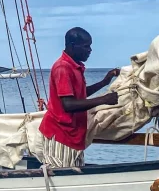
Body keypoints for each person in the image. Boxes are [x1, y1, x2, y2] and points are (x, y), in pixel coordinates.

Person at [39, 27, 120, 168]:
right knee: (63, 177)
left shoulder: (74, 66)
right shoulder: (63, 68)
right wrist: (104, 100)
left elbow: (79, 95)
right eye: (86, 46)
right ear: (72, 46)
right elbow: (68, 105)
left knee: (74, 177)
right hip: (61, 134)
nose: (90, 50)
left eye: (90, 46)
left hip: (73, 135)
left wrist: (104, 82)